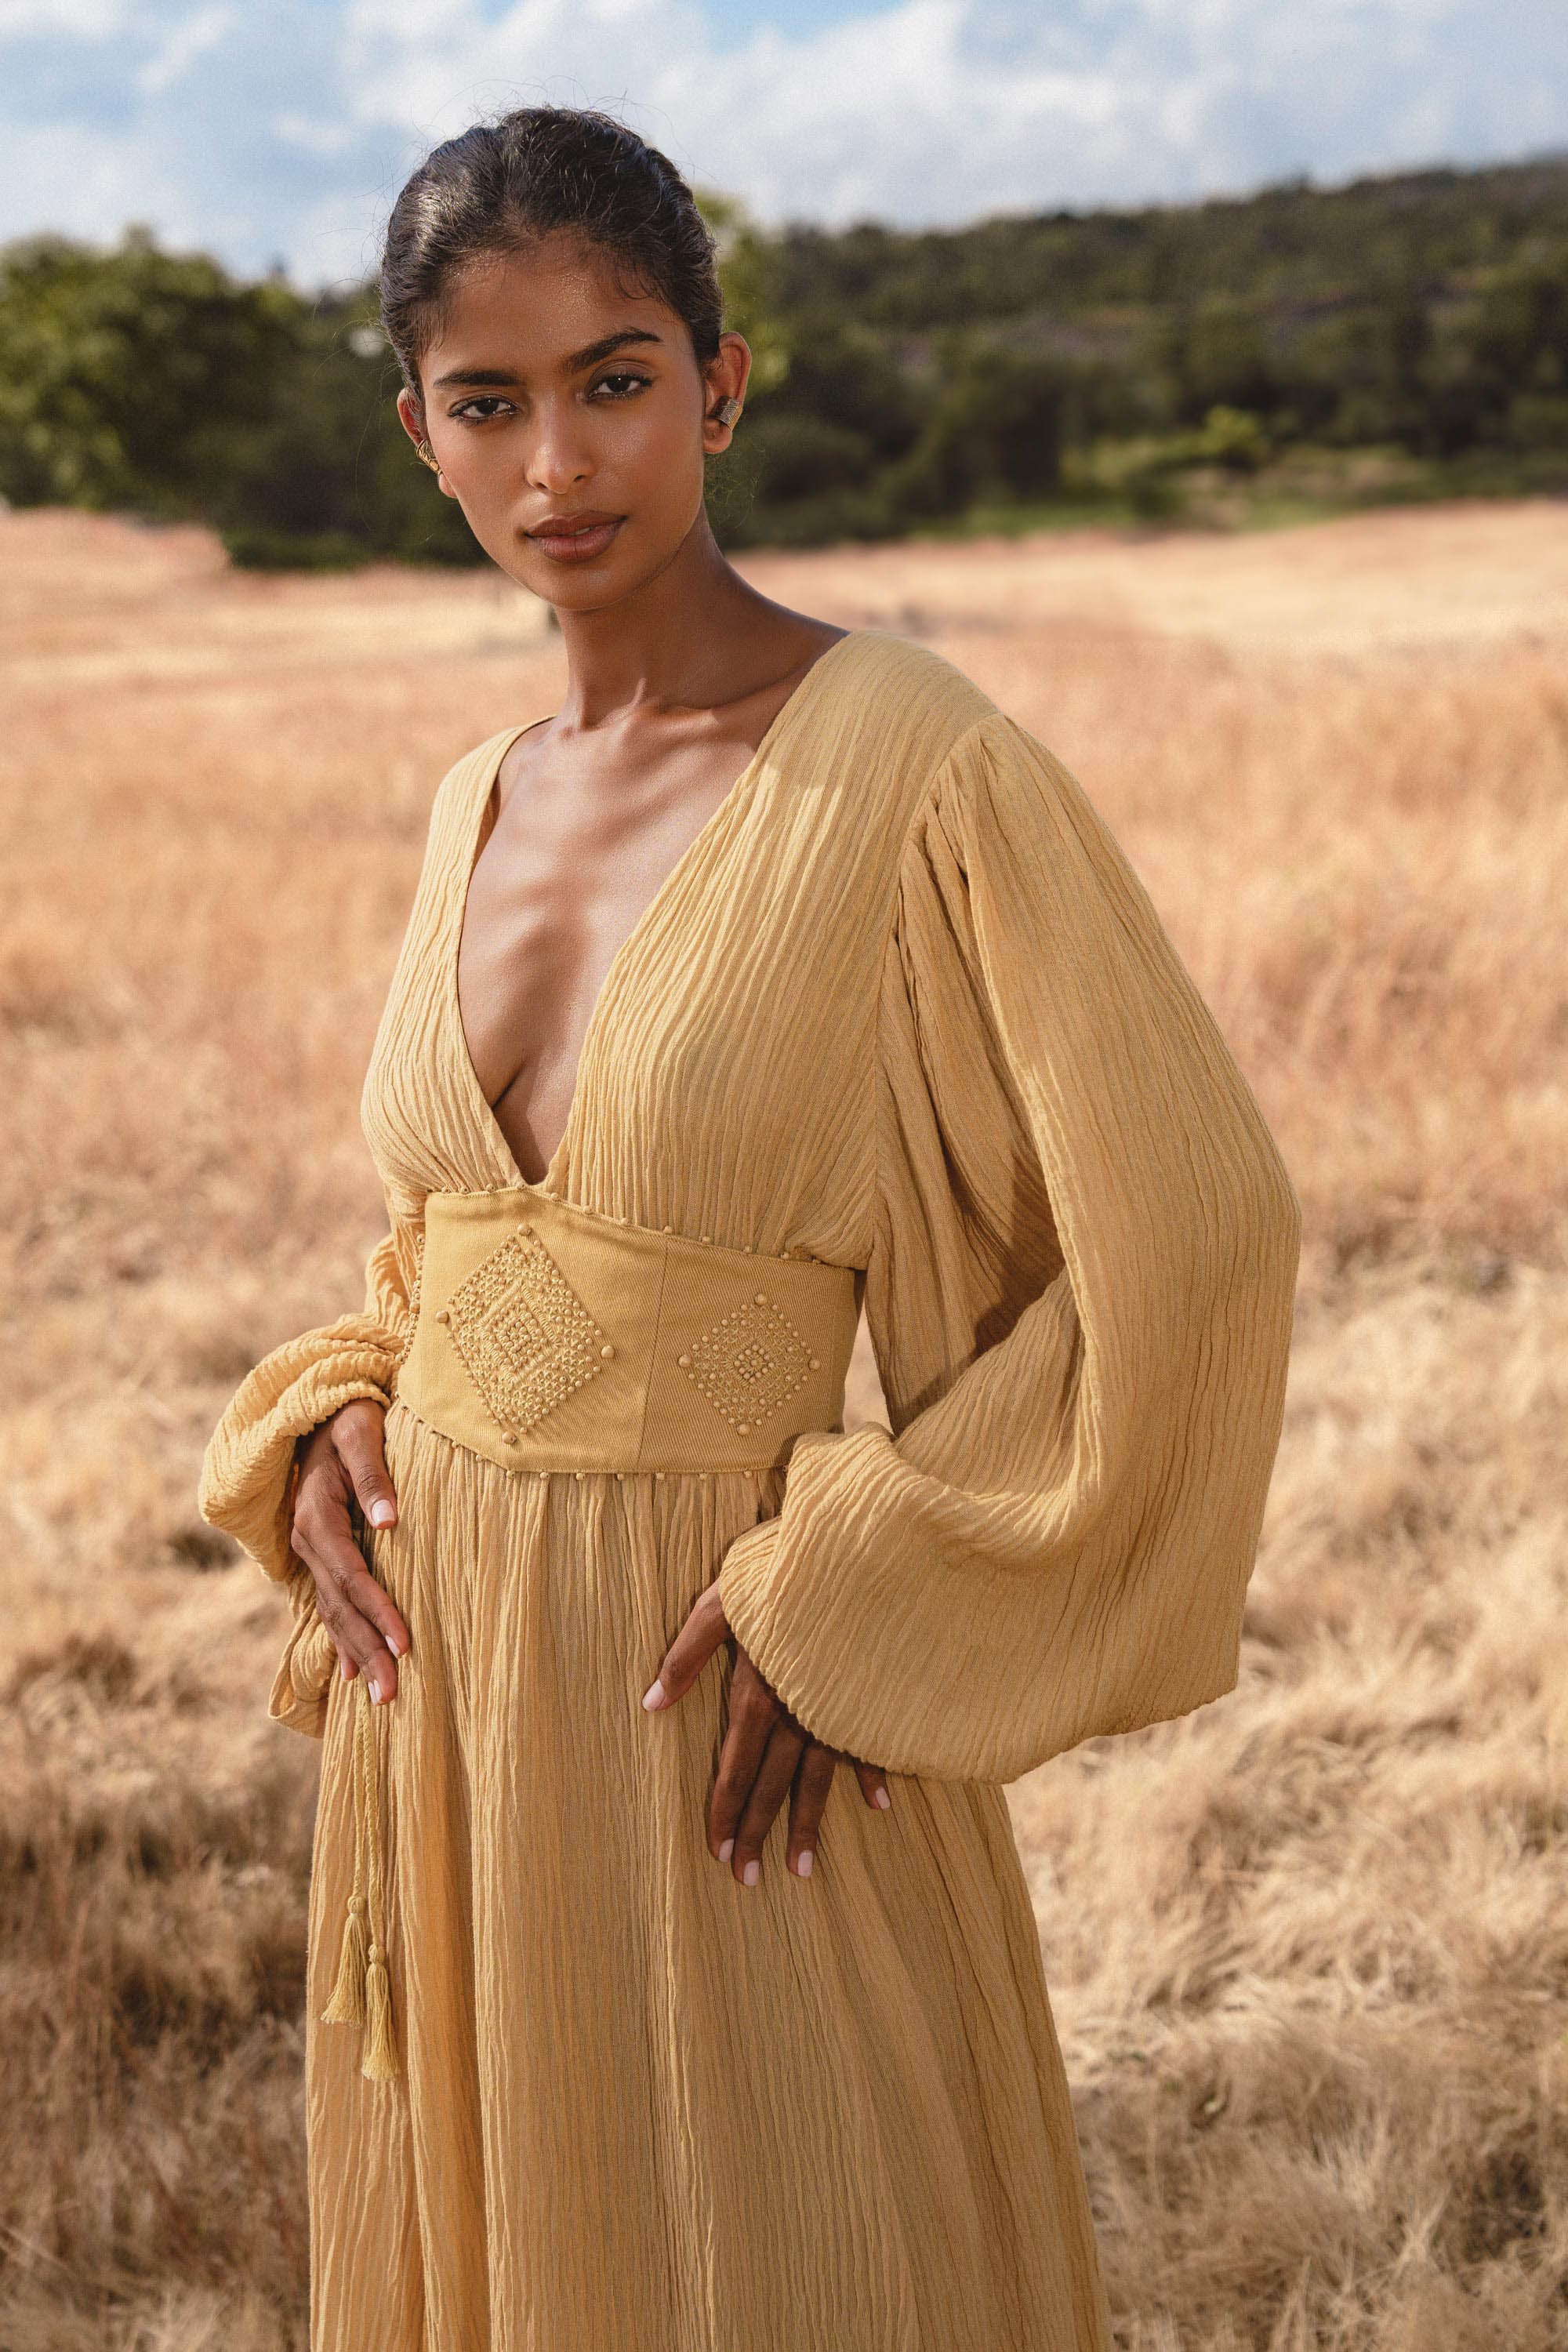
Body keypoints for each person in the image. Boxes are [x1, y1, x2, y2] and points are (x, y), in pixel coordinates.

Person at [197, 103, 1301, 2352]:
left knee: (798, 2252)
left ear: (722, 381)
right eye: (489, 402)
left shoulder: (910, 755)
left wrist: (857, 1585)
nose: (558, 465)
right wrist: (335, 1418)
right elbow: (463, 1251)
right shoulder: (469, 805)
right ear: (419, 432)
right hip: (453, 1721)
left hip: (727, 1696)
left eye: (614, 378)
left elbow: (1193, 1232)